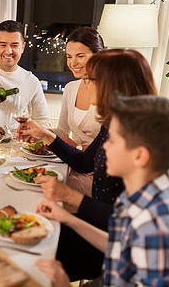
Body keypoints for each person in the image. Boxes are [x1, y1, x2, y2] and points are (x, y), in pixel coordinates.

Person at [19, 49, 157, 280]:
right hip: (97, 223)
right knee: (30, 225)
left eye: (89, 79)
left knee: (30, 253)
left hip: (111, 241)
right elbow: (83, 163)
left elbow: (133, 222)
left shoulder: (139, 142)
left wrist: (72, 198)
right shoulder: (113, 122)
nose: (85, 84)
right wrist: (45, 135)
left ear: (112, 85)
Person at [35, 95, 169, 286]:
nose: (104, 146)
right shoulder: (142, 192)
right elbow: (120, 245)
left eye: (112, 140)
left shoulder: (157, 230)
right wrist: (67, 218)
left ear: (139, 156)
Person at [51, 27, 104, 207]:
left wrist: (78, 146)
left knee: (49, 189)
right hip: (75, 163)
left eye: (80, 56)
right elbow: (62, 130)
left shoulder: (109, 93)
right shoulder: (71, 88)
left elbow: (109, 148)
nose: (73, 63)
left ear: (98, 55)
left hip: (98, 173)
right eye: (69, 56)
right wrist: (37, 131)